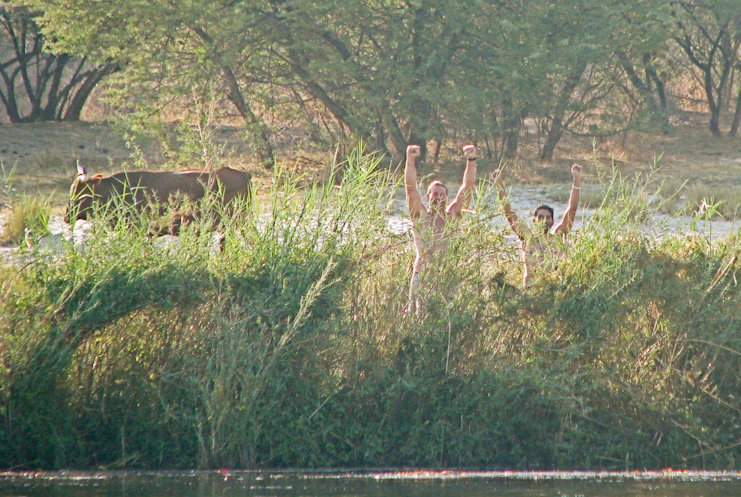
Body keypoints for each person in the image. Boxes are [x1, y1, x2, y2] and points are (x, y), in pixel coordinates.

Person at [405, 143, 478, 313]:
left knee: (447, 318)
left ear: (447, 197)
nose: (438, 198)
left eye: (442, 194)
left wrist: (471, 160)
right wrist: (410, 159)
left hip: (447, 275)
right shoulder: (420, 215)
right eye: (435, 194)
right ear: (428, 196)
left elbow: (467, 187)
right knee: (417, 318)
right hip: (422, 274)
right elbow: (410, 188)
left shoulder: (452, 216)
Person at [492, 164, 583, 286]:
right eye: (540, 217)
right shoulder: (528, 238)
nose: (543, 220)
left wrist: (577, 181)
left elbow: (571, 210)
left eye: (547, 218)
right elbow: (509, 213)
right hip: (531, 289)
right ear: (534, 221)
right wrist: (498, 184)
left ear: (552, 221)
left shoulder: (557, 238)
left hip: (553, 288)